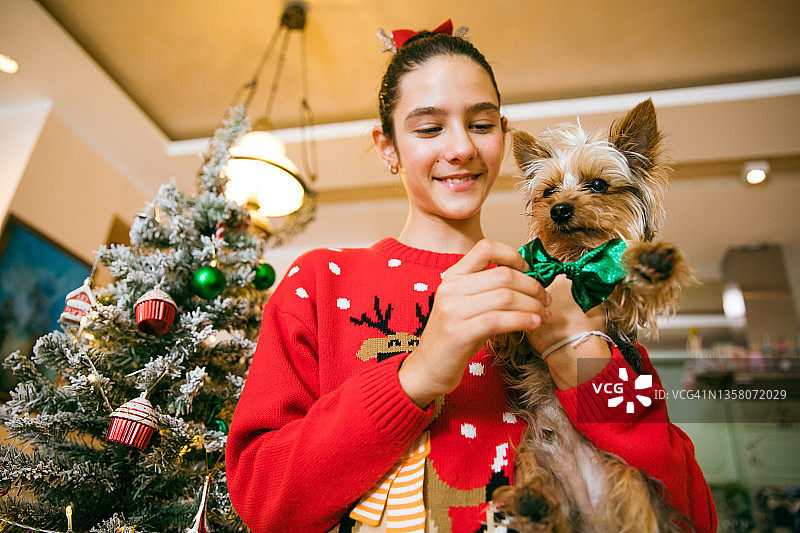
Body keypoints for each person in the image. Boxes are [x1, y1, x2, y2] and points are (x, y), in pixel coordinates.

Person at [226, 22, 716, 533]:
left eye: (481, 125)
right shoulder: (322, 279)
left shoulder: (566, 289)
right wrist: (416, 375)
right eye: (429, 128)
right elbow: (263, 498)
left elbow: (691, 513)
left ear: (503, 136)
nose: (460, 147)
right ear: (387, 146)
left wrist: (577, 347)